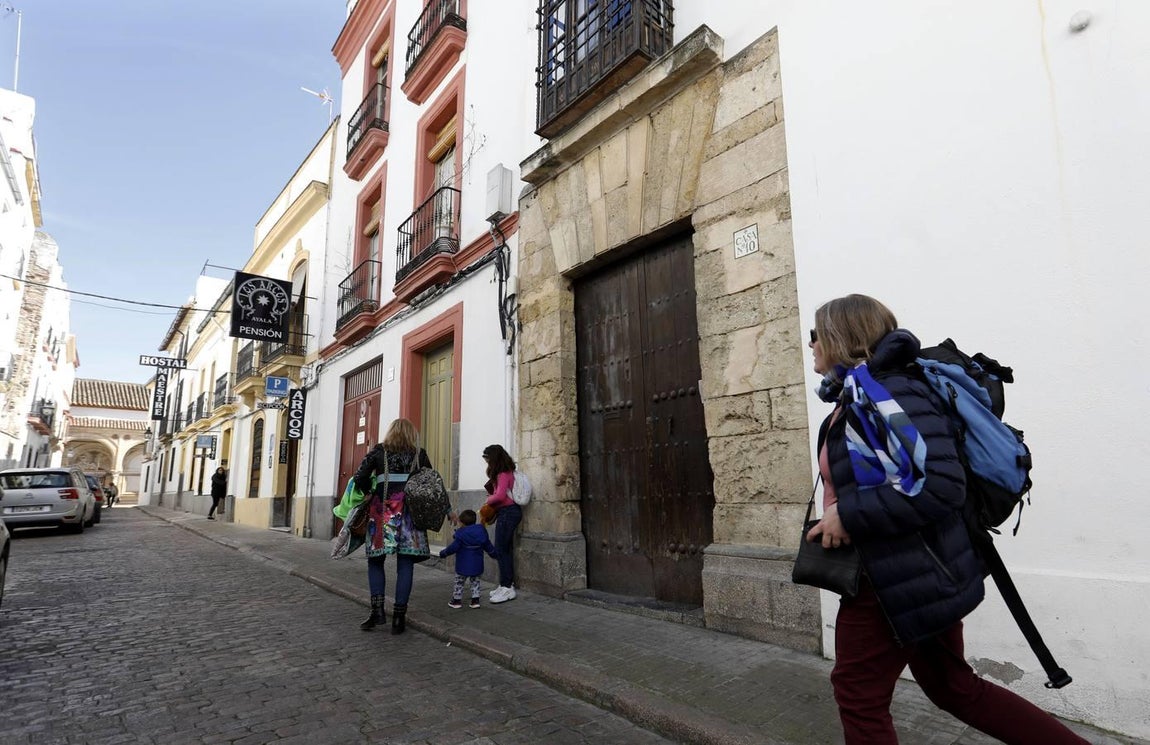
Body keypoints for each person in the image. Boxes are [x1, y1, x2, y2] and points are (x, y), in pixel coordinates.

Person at [806, 294, 1087, 745]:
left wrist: (850, 516)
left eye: (816, 334)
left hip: (893, 578)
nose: (811, 344)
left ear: (843, 336)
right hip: (917, 571)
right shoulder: (856, 395)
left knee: (858, 693)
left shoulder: (889, 391)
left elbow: (940, 486)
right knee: (954, 688)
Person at [353, 418, 453, 634]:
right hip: (410, 515)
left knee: (375, 561)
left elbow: (359, 476)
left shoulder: (378, 452)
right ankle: (399, 617)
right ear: (411, 434)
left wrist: (370, 490)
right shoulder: (420, 454)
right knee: (405, 564)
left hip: (381, 513)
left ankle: (377, 611)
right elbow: (433, 484)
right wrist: (447, 510)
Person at [481, 444, 520, 604]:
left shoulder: (503, 473)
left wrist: (488, 499)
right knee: (505, 549)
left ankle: (507, 588)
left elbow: (500, 496)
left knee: (501, 549)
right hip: (507, 513)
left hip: (508, 512)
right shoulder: (504, 472)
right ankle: (506, 584)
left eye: (487, 459)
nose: (487, 462)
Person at [438, 509, 498, 609]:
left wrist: (443, 553)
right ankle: (475, 601)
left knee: (459, 582)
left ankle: (456, 601)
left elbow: (453, 548)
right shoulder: (481, 532)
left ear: (462, 523)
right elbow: (488, 546)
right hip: (477, 564)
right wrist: (494, 554)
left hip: (462, 564)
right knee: (475, 582)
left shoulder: (460, 534)